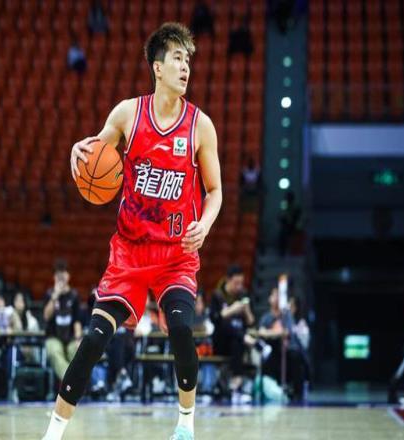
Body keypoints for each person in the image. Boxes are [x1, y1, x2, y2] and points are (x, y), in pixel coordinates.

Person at [43, 22, 222, 440]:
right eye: (177, 58)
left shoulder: (200, 126)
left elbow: (215, 191)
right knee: (93, 340)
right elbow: (96, 151)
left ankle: (185, 423)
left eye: (188, 60)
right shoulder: (128, 113)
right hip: (130, 252)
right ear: (157, 67)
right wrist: (78, 149)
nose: (185, 67)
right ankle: (53, 433)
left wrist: (205, 224)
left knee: (181, 330)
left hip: (176, 254)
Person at [210, 265, 255, 401]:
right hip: (221, 342)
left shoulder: (243, 295)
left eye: (241, 283)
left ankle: (235, 385)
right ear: (228, 280)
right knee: (230, 330)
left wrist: (246, 310)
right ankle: (237, 386)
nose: (239, 286)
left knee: (237, 340)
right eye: (236, 283)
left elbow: (251, 323)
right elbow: (215, 319)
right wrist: (232, 310)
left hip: (237, 344)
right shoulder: (217, 295)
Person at [259, 288, 306, 402]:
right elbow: (261, 332)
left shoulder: (286, 315)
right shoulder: (266, 317)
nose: (277, 298)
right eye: (274, 295)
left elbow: (287, 332)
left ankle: (297, 395)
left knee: (296, 357)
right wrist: (274, 333)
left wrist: (270, 333)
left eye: (279, 296)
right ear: (269, 299)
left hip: (288, 352)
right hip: (273, 352)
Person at [43, 260, 82, 382]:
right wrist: (55, 296)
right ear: (54, 277)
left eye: (63, 273)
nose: (61, 277)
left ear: (68, 276)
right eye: (58, 274)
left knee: (77, 352)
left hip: (70, 338)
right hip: (53, 337)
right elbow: (46, 316)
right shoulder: (49, 294)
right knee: (54, 351)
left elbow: (77, 320)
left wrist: (78, 339)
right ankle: (71, 382)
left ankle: (72, 384)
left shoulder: (74, 295)